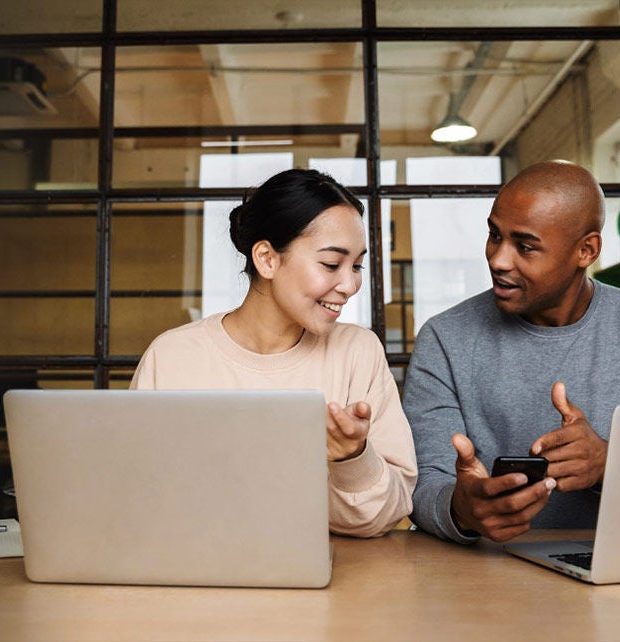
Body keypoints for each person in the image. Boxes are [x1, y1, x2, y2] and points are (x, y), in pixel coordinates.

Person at [405, 160, 620, 545]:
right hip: (484, 569)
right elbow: (423, 483)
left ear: (586, 250)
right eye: (494, 235)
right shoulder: (445, 338)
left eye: (525, 246)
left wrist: (610, 462)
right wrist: (462, 509)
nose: (498, 259)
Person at [130, 168, 417, 538]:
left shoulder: (358, 352)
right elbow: (135, 499)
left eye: (357, 265)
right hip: (194, 564)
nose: (350, 285)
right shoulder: (172, 358)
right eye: (331, 264)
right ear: (267, 258)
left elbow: (387, 516)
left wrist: (352, 457)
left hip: (335, 571)